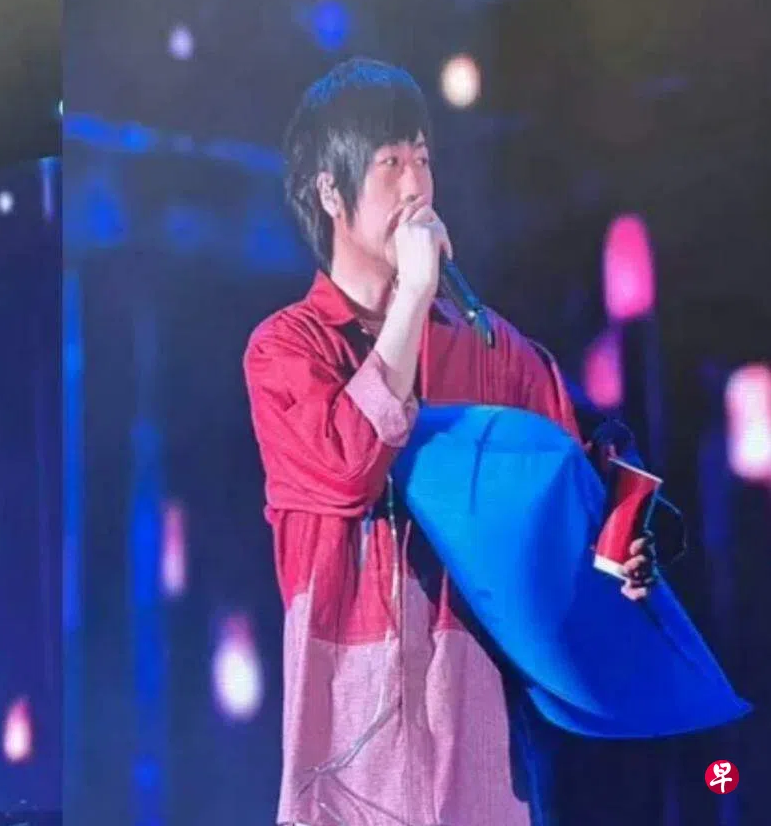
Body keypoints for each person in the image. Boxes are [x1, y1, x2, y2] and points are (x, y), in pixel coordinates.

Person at [243, 59, 657, 826]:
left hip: (478, 751)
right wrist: (412, 296)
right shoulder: (287, 350)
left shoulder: (491, 349)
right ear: (330, 191)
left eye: (424, 159)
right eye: (390, 163)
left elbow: (583, 469)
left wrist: (623, 548)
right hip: (349, 765)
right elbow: (347, 467)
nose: (416, 187)